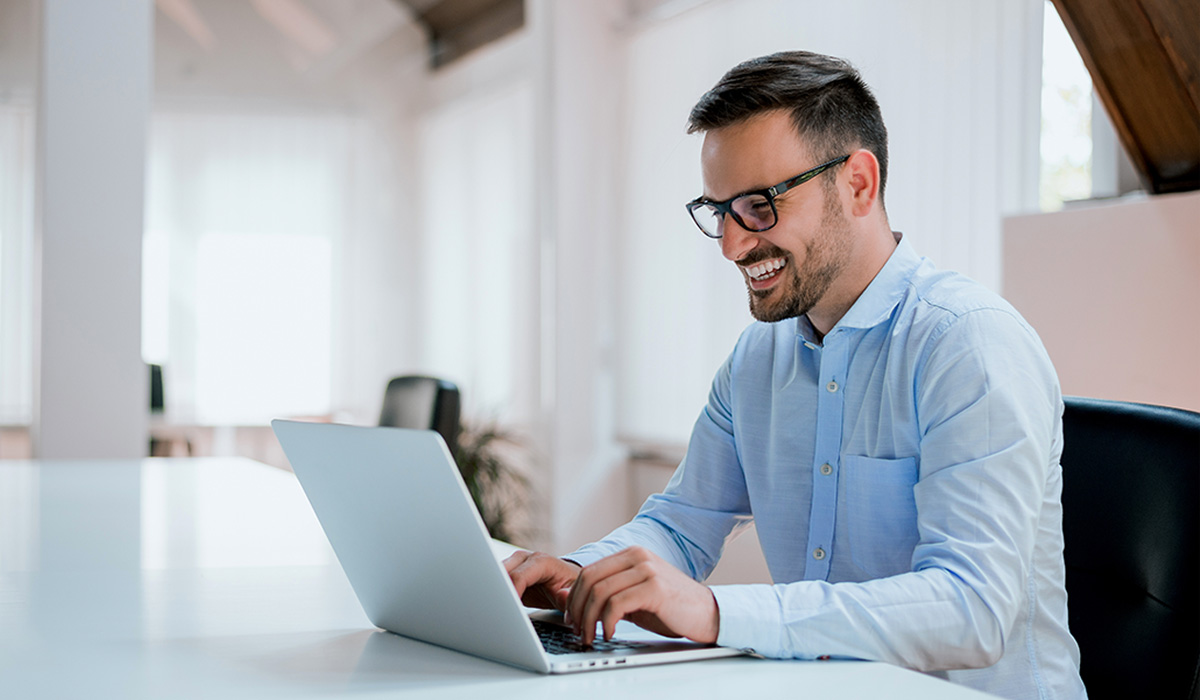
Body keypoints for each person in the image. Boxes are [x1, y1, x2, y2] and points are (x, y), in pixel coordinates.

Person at [504, 51, 1086, 699]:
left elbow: (973, 610)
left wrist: (715, 613)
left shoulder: (968, 342)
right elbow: (680, 524)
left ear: (859, 184)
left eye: (759, 205)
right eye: (718, 209)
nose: (732, 245)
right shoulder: (759, 358)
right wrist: (580, 573)